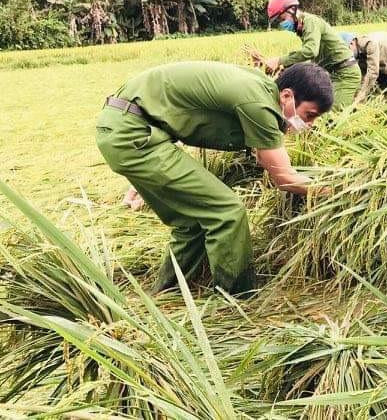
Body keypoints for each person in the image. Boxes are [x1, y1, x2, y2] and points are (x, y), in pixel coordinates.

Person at [96, 61, 334, 296]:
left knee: (191, 221)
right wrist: (338, 189)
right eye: (309, 115)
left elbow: (264, 157)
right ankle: (237, 297)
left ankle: (168, 292)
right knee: (227, 211)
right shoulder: (259, 105)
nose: (310, 124)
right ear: (286, 96)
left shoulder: (259, 87)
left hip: (126, 127)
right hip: (135, 134)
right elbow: (284, 177)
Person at [246, 0, 360, 110]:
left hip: (346, 73)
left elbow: (310, 51)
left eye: (282, 19)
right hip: (333, 73)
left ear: (292, 10)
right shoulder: (302, 29)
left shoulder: (310, 22)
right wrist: (279, 69)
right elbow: (309, 59)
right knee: (314, 107)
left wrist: (279, 60)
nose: (281, 24)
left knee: (329, 116)